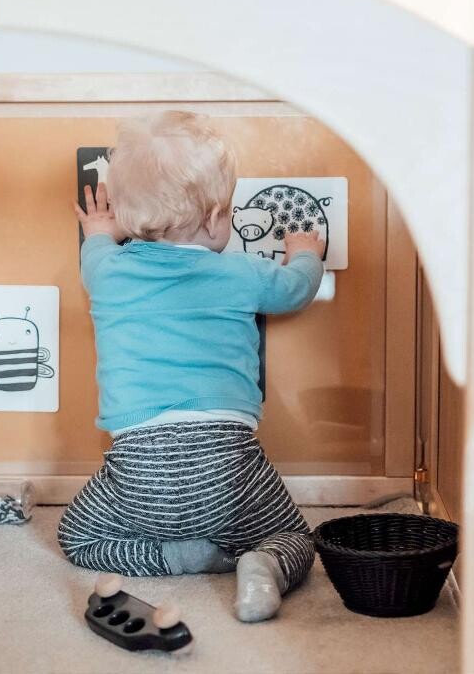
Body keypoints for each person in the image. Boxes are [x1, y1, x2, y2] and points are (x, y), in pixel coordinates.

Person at [57, 110, 325, 622]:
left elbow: (95, 252)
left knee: (77, 536)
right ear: (215, 216)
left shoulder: (107, 270)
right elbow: (296, 289)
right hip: (229, 467)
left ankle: (175, 557)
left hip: (137, 470)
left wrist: (96, 229)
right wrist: (305, 253)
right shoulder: (242, 272)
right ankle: (264, 564)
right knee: (294, 537)